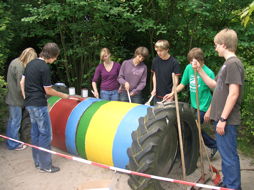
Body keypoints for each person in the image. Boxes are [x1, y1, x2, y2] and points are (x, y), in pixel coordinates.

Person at [193, 29, 244, 190]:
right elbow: (214, 86)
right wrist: (199, 70)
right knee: (226, 154)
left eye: (216, 45)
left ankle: (233, 186)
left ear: (223, 44)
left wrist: (222, 119)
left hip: (227, 120)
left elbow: (234, 94)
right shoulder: (226, 65)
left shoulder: (234, 64)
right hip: (221, 119)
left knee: (229, 156)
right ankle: (228, 183)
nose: (215, 48)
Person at [20, 42, 78, 173]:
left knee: (35, 133)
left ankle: (37, 162)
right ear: (51, 56)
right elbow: (48, 90)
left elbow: (22, 82)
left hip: (29, 104)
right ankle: (46, 165)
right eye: (56, 57)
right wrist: (64, 95)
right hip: (39, 105)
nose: (56, 59)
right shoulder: (44, 68)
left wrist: (27, 98)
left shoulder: (30, 64)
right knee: (45, 134)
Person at [163, 48, 217, 159]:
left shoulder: (209, 73)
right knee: (192, 127)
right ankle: (197, 149)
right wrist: (172, 93)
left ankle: (211, 145)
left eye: (194, 62)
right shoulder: (189, 68)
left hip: (204, 106)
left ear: (201, 60)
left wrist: (209, 111)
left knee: (193, 125)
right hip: (194, 105)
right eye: (190, 62)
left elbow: (216, 94)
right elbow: (182, 84)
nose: (191, 64)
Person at [5, 48, 37, 150]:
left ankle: (10, 141)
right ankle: (14, 144)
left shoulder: (15, 61)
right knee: (16, 122)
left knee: (12, 121)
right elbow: (21, 87)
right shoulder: (20, 67)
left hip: (11, 97)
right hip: (16, 100)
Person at [151, 40, 181, 104]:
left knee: (167, 114)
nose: (158, 53)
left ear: (167, 50)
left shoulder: (174, 62)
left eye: (161, 51)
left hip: (168, 96)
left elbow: (175, 80)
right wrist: (154, 89)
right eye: (157, 51)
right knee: (156, 113)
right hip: (156, 95)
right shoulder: (155, 61)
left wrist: (172, 94)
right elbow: (154, 75)